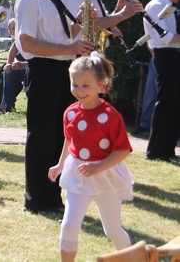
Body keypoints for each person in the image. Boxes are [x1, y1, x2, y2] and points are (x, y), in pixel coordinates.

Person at [15, 0, 92, 214]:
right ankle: (35, 198)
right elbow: (27, 42)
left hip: (60, 71)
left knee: (60, 137)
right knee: (41, 137)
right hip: (44, 71)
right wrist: (70, 49)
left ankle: (52, 195)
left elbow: (62, 35)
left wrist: (81, 20)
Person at [48, 53, 133, 261]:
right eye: (75, 84)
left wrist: (98, 167)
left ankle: (134, 258)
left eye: (86, 85)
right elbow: (70, 140)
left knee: (112, 230)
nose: (79, 90)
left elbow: (122, 149)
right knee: (69, 225)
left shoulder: (111, 116)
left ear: (101, 85)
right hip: (78, 176)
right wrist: (60, 165)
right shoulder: (70, 113)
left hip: (106, 178)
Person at [142, 0, 180, 161]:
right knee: (165, 102)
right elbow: (164, 38)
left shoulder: (170, 5)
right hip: (166, 55)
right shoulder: (156, 5)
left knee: (174, 102)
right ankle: (156, 150)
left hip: (173, 55)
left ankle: (168, 148)